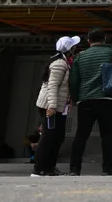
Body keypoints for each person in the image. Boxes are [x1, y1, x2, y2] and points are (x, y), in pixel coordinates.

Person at [69, 28, 112, 176]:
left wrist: (76, 98)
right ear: (105, 39)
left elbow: (74, 80)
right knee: (108, 135)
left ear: (88, 41)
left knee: (81, 135)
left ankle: (74, 169)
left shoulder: (80, 57)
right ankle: (108, 168)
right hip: (107, 99)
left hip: (85, 101)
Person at [32, 35, 80, 177]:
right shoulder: (59, 64)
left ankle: (49, 168)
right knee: (48, 137)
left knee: (57, 137)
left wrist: (68, 101)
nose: (76, 48)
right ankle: (39, 169)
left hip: (59, 107)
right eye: (74, 46)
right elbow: (53, 86)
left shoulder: (65, 63)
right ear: (70, 49)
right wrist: (52, 107)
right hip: (50, 106)